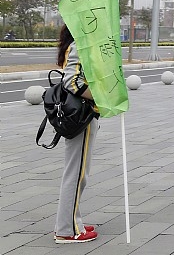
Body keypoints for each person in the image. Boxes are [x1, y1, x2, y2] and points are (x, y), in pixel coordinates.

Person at [54, 25, 99, 244]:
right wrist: (100, 96)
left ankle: (73, 221)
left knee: (78, 172)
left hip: (79, 115)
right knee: (77, 173)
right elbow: (72, 81)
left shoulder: (75, 43)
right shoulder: (81, 44)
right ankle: (66, 230)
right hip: (82, 116)